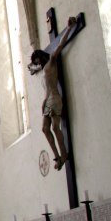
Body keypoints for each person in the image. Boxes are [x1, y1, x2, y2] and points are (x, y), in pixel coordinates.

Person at [29, 17, 78, 171]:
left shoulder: (51, 61)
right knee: (45, 129)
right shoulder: (43, 69)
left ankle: (64, 155)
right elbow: (45, 87)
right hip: (47, 100)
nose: (37, 63)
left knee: (56, 127)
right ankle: (57, 155)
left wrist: (69, 28)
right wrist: (43, 102)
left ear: (41, 56)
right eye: (35, 62)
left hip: (55, 98)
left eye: (37, 60)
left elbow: (61, 44)